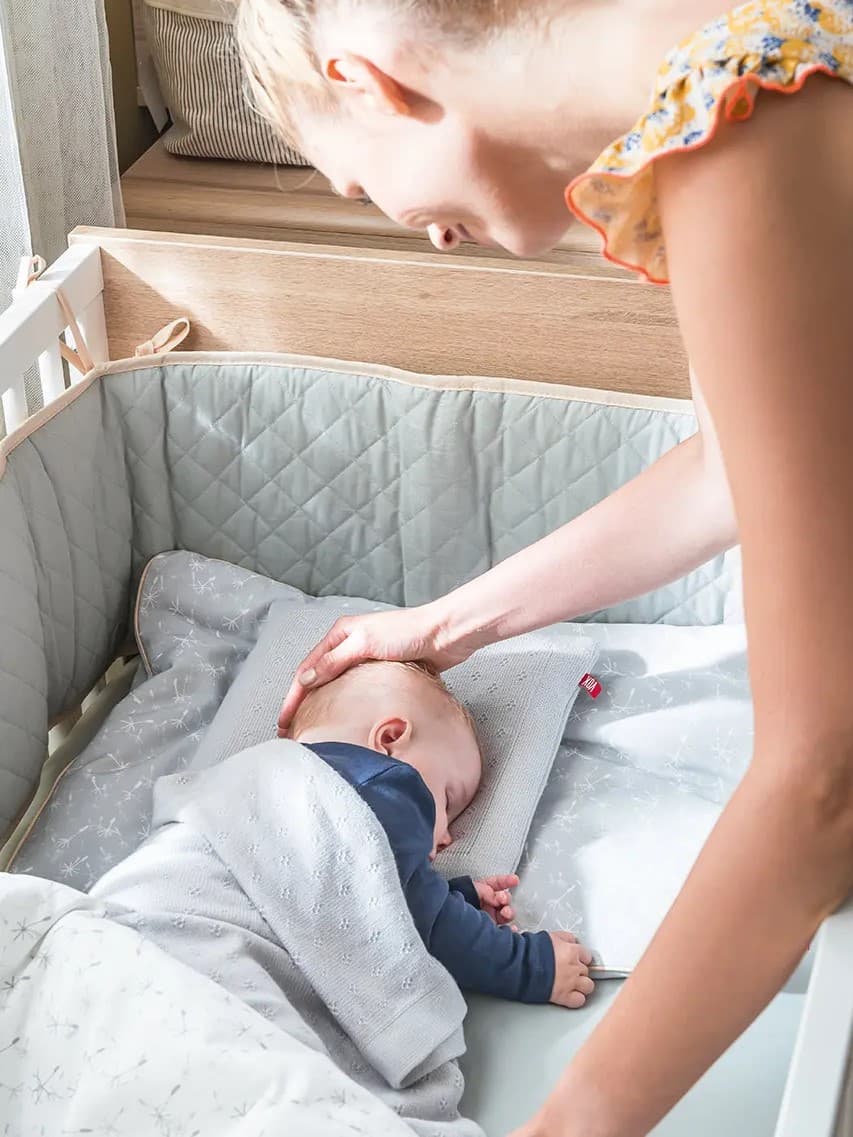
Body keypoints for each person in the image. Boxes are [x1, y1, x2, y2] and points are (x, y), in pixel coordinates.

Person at [236, 2, 853, 1134]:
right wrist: (440, 627)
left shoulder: (742, 121)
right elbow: (730, 471)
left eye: (361, 189)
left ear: (364, 79)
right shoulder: (734, 66)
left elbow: (822, 777)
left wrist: (571, 1122)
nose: (423, 236)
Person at [287, 657, 595, 1007]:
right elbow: (421, 921)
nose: (447, 836)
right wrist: (530, 966)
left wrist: (452, 898)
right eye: (447, 801)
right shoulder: (379, 783)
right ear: (390, 739)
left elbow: (371, 900)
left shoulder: (274, 781)